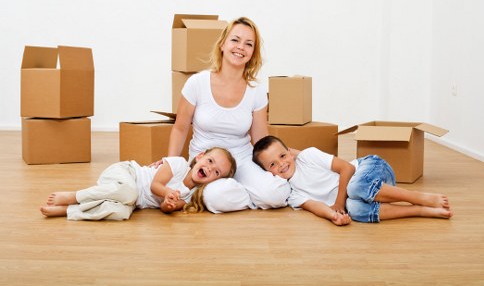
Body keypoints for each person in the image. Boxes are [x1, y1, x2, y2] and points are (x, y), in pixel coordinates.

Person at [164, 17, 290, 213]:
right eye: (235, 40)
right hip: (207, 163)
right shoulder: (197, 83)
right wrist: (170, 166)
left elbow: (261, 141)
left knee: (276, 194)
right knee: (216, 197)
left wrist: (290, 156)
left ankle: (236, 192)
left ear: (252, 53)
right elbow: (180, 128)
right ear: (222, 44)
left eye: (248, 44)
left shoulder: (256, 90)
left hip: (242, 159)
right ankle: (236, 194)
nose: (241, 47)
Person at [252, 135, 453, 226]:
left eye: (282, 156)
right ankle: (419, 210)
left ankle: (418, 198)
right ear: (268, 173)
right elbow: (315, 206)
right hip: (368, 196)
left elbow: (346, 168)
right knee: (354, 210)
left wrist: (338, 203)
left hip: (371, 170)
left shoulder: (308, 156)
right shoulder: (293, 193)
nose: (281, 165)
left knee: (354, 188)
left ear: (290, 152)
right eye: (272, 165)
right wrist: (333, 215)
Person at [39, 147, 237, 220]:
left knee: (121, 213)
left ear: (215, 181)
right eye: (209, 161)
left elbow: (166, 208)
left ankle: (69, 211)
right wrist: (167, 191)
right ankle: (74, 196)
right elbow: (155, 186)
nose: (210, 169)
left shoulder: (191, 197)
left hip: (131, 201)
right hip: (126, 175)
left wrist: (168, 205)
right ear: (200, 156)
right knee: (129, 192)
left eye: (216, 172)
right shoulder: (178, 164)